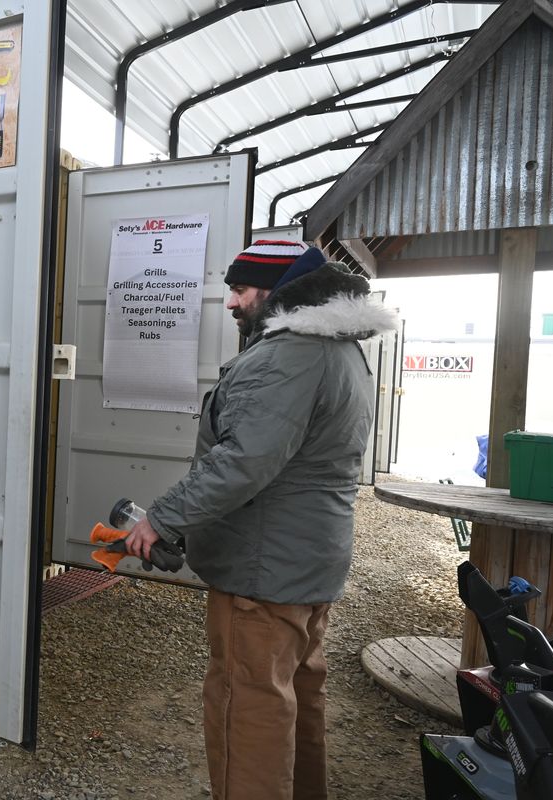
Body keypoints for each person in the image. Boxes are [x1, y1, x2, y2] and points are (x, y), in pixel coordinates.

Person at [123, 240, 398, 800]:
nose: (230, 302)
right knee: (294, 696)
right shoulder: (340, 349)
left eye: (241, 289)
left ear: (278, 290)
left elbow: (243, 461)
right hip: (305, 561)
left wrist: (162, 521)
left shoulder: (289, 355)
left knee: (246, 708)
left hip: (263, 571)